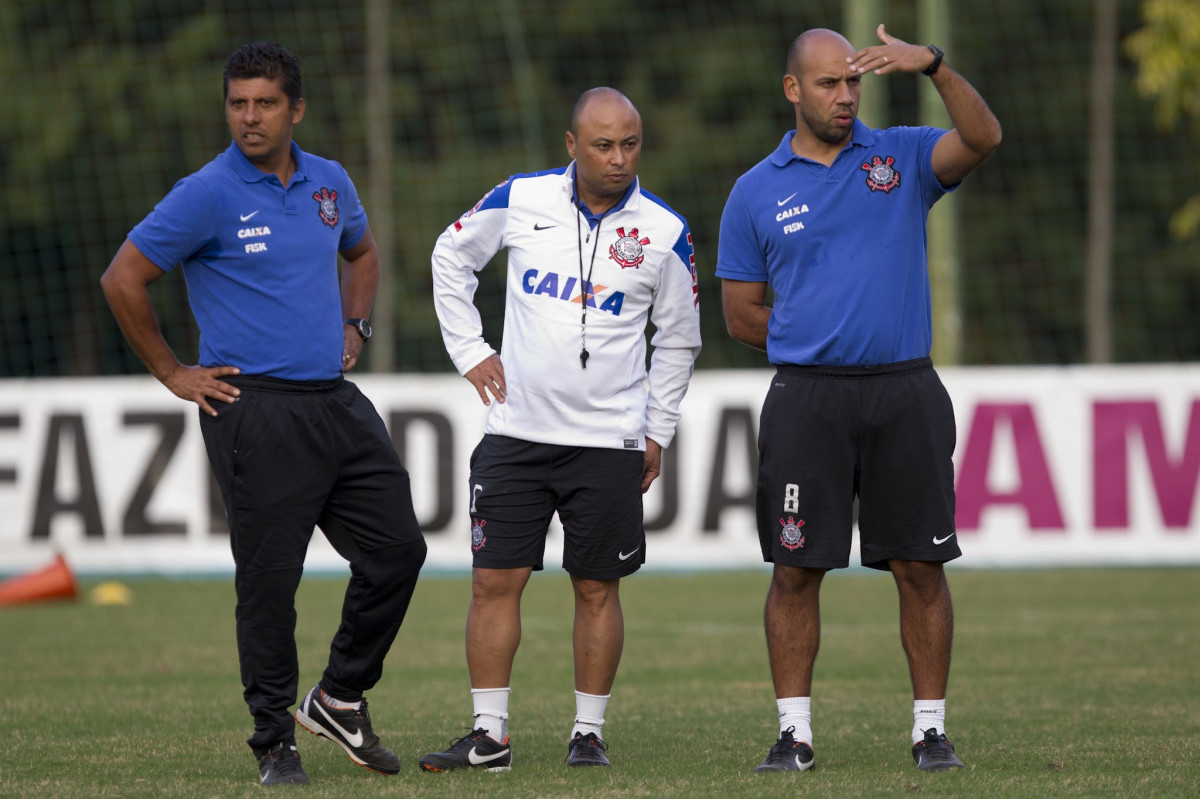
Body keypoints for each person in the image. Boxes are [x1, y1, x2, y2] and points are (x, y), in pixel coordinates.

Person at [99, 41, 427, 786]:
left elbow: (364, 253)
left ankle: (341, 693)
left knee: (398, 551)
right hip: (255, 408)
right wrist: (172, 371)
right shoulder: (206, 192)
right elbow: (123, 277)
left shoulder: (330, 181)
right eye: (238, 103)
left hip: (334, 402)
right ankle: (274, 738)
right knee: (272, 582)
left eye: (265, 103)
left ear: (296, 109)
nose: (249, 117)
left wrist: (357, 326)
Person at [717, 26, 1001, 773]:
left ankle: (930, 730)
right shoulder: (755, 190)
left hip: (905, 388)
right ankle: (794, 734)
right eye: (828, 85)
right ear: (793, 90)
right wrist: (815, 337)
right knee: (794, 568)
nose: (844, 97)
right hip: (807, 399)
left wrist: (934, 65)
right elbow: (742, 312)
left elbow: (983, 136)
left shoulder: (901, 155)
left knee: (919, 566)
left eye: (853, 84)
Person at [420, 87, 701, 771]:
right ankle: (490, 735)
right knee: (493, 582)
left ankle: (588, 732)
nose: (618, 158)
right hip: (516, 434)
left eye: (630, 144)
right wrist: (471, 349)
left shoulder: (666, 230)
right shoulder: (520, 198)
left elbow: (679, 338)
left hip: (610, 441)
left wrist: (657, 427)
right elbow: (448, 256)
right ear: (571, 145)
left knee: (597, 586)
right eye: (602, 144)